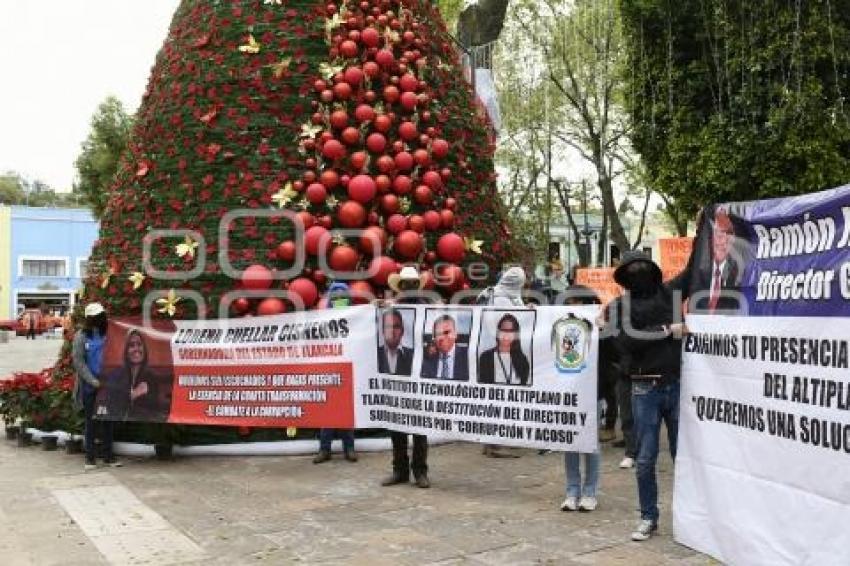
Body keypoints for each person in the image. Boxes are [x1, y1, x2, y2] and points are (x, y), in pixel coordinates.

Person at [611, 251, 687, 541]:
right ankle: (648, 517)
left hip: (676, 384)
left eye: (643, 267)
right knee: (645, 458)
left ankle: (689, 516)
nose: (638, 273)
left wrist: (705, 226)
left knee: (686, 457)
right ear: (624, 276)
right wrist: (668, 330)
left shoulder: (671, 296)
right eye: (633, 269)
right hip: (644, 389)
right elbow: (628, 340)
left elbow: (694, 269)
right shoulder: (621, 306)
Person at [381, 266, 435, 488]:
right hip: (397, 377)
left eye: (413, 284)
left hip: (420, 376)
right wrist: (376, 308)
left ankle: (420, 471)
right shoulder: (390, 309)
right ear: (400, 287)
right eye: (407, 285)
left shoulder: (428, 309)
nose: (410, 288)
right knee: (397, 426)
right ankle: (400, 470)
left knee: (419, 427)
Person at [559, 285, 603, 512]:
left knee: (590, 444)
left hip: (593, 392)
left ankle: (590, 491)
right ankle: (572, 490)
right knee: (570, 443)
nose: (572, 307)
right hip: (569, 393)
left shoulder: (600, 325)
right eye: (568, 303)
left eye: (576, 302)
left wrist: (603, 330)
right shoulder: (560, 325)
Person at [71, 302, 121, 470]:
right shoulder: (81, 336)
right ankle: (90, 458)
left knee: (108, 422)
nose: (99, 319)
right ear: (89, 319)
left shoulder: (109, 334)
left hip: (108, 386)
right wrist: (93, 381)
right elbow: (78, 362)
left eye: (101, 316)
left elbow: (116, 355)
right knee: (91, 423)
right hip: (89, 388)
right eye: (95, 317)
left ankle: (108, 457)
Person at [314, 282, 358, 464]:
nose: (339, 299)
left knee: (346, 413)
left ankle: (349, 448)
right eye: (336, 297)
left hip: (348, 370)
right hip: (328, 370)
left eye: (342, 296)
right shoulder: (321, 318)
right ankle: (325, 449)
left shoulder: (357, 317)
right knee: (327, 413)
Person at [103, 329, 169, 421]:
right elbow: (110, 406)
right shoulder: (116, 375)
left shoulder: (151, 377)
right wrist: (133, 394)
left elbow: (155, 409)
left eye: (139, 344)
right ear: (126, 350)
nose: (136, 349)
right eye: (131, 345)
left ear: (144, 349)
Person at [478, 313, 530, 386]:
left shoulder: (522, 360)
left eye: (511, 331)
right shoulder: (486, 357)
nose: (506, 335)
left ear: (515, 334)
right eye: (503, 330)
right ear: (498, 332)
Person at [420, 314, 469, 381]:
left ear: (455, 334)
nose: (442, 337)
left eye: (447, 332)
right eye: (438, 334)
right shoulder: (425, 357)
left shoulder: (468, 357)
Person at [377, 309, 414, 375]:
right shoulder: (374, 354)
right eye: (388, 326)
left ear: (402, 331)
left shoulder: (413, 355)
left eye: (396, 327)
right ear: (383, 331)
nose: (392, 331)